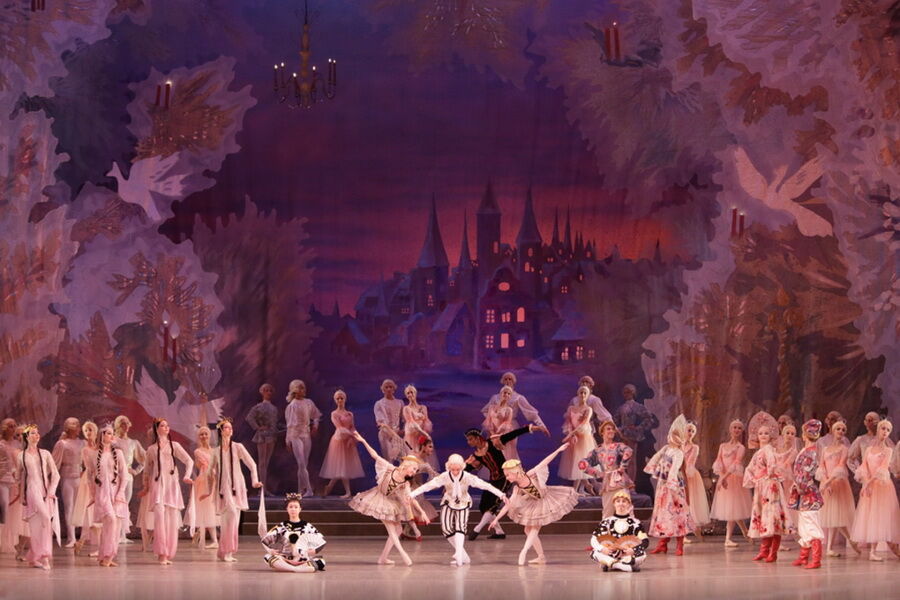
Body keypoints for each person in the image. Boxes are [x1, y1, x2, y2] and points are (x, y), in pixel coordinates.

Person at [488, 443, 579, 565]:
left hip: (546, 499)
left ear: (515, 472)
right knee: (527, 530)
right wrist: (496, 519)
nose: (507, 478)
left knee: (534, 527)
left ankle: (524, 551)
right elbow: (508, 505)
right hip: (534, 504)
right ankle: (541, 557)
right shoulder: (517, 489)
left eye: (508, 475)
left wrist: (558, 450)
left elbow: (545, 461)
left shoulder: (530, 475)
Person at [348, 432, 431, 565]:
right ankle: (403, 555)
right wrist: (363, 440)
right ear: (407, 465)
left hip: (390, 502)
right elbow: (375, 455)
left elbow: (411, 498)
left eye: (416, 470)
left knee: (398, 530)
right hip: (378, 499)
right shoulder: (390, 469)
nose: (414, 472)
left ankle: (383, 558)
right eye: (414, 469)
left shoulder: (405, 483)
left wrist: (422, 512)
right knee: (392, 530)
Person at [409, 453, 507, 566]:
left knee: (460, 528)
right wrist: (412, 494)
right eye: (453, 469)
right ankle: (462, 554)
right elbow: (428, 486)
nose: (455, 472)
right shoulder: (445, 476)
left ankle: (459, 555)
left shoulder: (467, 477)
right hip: (448, 501)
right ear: (449, 467)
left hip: (463, 502)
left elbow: (485, 485)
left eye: (458, 469)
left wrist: (501, 494)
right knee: (446, 529)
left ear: (462, 467)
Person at [463, 423, 547, 540]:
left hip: (505, 477)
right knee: (483, 505)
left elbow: (512, 434)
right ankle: (499, 532)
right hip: (493, 480)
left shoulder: (493, 443)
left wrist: (530, 428)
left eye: (471, 439)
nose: (469, 442)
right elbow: (465, 469)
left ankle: (477, 529)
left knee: (493, 505)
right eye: (468, 440)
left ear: (478, 438)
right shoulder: (476, 455)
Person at [141, 418, 194, 565]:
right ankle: (161, 553)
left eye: (167, 425)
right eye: (163, 425)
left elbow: (189, 461)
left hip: (171, 485)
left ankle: (168, 553)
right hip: (157, 485)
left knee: (171, 520)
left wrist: (187, 476)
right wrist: (145, 487)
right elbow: (146, 471)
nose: (166, 427)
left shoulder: (174, 445)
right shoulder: (151, 449)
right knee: (159, 518)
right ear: (157, 429)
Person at [210, 417, 261, 562]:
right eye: (227, 427)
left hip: (237, 485)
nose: (230, 430)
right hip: (223, 487)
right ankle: (226, 551)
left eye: (231, 428)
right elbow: (210, 471)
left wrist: (254, 480)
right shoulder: (216, 451)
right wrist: (209, 487)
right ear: (221, 431)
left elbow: (252, 464)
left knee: (234, 518)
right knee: (229, 516)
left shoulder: (238, 447)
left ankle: (226, 551)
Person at [644, 415, 695, 556]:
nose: (671, 438)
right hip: (663, 486)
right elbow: (655, 458)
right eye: (672, 435)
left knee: (677, 514)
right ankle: (662, 544)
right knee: (664, 514)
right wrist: (654, 468)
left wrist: (672, 484)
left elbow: (675, 469)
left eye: (675, 436)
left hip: (674, 487)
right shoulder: (666, 449)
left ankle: (679, 545)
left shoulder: (678, 453)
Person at [850, 419, 900, 561]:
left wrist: (868, 484)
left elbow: (882, 469)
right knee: (871, 517)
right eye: (883, 428)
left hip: (882, 487)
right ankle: (872, 552)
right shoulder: (869, 449)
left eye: (888, 430)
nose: (885, 432)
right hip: (870, 486)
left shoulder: (888, 450)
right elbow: (864, 467)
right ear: (878, 429)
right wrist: (865, 483)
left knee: (881, 517)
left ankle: (886, 550)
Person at [743, 422, 791, 563]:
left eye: (766, 433)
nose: (763, 435)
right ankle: (764, 551)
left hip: (770, 486)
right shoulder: (758, 452)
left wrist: (766, 475)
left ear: (770, 436)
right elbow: (749, 468)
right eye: (760, 433)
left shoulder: (769, 450)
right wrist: (755, 479)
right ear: (757, 436)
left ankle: (773, 553)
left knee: (773, 518)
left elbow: (772, 466)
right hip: (762, 486)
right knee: (766, 518)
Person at [15, 424, 60, 570]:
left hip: (45, 491)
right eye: (33, 433)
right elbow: (19, 477)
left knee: (37, 526)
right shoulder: (21, 456)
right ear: (27, 437)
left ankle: (34, 558)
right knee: (46, 519)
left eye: (37, 432)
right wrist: (21, 493)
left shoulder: (45, 453)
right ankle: (45, 557)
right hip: (31, 491)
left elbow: (56, 475)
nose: (37, 435)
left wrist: (51, 491)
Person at [87, 423, 128, 567]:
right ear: (102, 435)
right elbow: (90, 476)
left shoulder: (119, 454)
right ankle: (107, 556)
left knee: (113, 526)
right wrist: (93, 495)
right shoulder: (93, 454)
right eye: (108, 433)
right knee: (110, 519)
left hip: (116, 492)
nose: (111, 436)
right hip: (102, 493)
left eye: (112, 433)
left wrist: (120, 493)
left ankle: (106, 556)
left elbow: (124, 475)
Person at [817, 419, 858, 557]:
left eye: (843, 430)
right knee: (832, 516)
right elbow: (821, 466)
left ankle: (839, 544)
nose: (841, 431)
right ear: (833, 431)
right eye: (838, 429)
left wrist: (829, 482)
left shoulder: (844, 449)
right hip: (827, 484)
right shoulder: (825, 449)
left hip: (838, 483)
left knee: (836, 515)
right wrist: (824, 482)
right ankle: (841, 544)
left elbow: (840, 466)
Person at [481, 372, 546, 458]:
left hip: (510, 427)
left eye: (510, 379)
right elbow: (486, 411)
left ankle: (509, 466)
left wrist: (541, 425)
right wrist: (493, 420)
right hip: (494, 428)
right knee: (493, 449)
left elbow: (531, 412)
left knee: (508, 450)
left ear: (514, 381)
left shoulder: (518, 397)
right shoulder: (495, 397)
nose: (508, 381)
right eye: (505, 379)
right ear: (502, 381)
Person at [789, 419, 825, 569]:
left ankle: (816, 559)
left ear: (805, 434)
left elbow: (807, 472)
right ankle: (803, 557)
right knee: (804, 524)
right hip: (803, 492)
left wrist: (800, 485)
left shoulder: (811, 452)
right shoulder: (807, 450)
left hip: (808, 492)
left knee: (811, 524)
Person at [710, 419, 752, 547]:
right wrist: (721, 477)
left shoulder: (741, 447)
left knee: (733, 509)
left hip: (734, 480)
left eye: (739, 428)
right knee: (732, 509)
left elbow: (736, 463)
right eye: (735, 427)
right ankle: (745, 532)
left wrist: (724, 478)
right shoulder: (722, 446)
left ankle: (728, 539)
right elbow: (718, 461)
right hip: (724, 479)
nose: (737, 430)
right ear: (730, 429)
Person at [579, 420, 634, 516]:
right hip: (607, 483)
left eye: (613, 429)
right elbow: (582, 464)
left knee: (626, 510)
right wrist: (598, 473)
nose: (611, 431)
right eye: (608, 429)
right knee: (607, 512)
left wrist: (622, 467)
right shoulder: (598, 451)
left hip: (619, 480)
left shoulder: (617, 446)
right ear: (602, 432)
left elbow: (628, 451)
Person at [261, 493, 326, 572]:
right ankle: (296, 569)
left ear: (300, 509)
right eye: (291, 507)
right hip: (286, 559)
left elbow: (321, 540)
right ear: (287, 509)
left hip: (303, 559)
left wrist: (314, 550)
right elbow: (265, 540)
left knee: (321, 562)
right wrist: (270, 551)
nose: (293, 509)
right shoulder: (282, 526)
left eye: (296, 507)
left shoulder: (307, 526)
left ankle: (290, 568)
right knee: (267, 556)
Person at [589, 489, 649, 572]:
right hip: (610, 553)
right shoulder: (606, 522)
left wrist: (633, 550)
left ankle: (610, 563)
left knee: (642, 554)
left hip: (627, 554)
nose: (621, 504)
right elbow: (594, 539)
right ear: (614, 504)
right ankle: (623, 566)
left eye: (624, 501)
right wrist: (602, 549)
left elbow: (645, 541)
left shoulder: (636, 523)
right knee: (595, 552)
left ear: (629, 504)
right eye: (618, 501)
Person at [321, 390, 365, 498]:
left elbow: (352, 427)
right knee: (341, 466)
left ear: (345, 399)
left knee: (343, 467)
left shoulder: (350, 414)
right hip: (339, 441)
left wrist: (354, 437)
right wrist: (350, 436)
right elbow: (339, 427)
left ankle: (330, 487)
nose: (340, 400)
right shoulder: (334, 414)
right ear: (335, 400)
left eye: (341, 398)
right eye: (338, 398)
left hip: (348, 441)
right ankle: (346, 491)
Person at [614, 384, 658, 484]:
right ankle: (623, 482)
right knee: (622, 460)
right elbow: (614, 421)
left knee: (631, 460)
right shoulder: (621, 407)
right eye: (625, 392)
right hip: (621, 435)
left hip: (632, 435)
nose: (627, 394)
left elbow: (649, 418)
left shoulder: (637, 406)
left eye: (629, 392)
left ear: (633, 393)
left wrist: (639, 428)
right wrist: (617, 430)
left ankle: (631, 483)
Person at [285, 380, 321, 498]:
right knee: (301, 463)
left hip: (306, 434)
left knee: (304, 464)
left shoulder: (308, 402)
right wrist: (288, 440)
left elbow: (316, 415)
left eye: (303, 388)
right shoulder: (292, 406)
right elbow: (289, 425)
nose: (303, 390)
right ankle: (309, 489)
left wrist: (315, 426)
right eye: (300, 388)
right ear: (295, 390)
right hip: (295, 435)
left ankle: (300, 490)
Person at [51, 417, 84, 547]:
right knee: (69, 507)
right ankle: (71, 538)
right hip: (67, 477)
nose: (77, 427)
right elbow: (54, 463)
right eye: (74, 424)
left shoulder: (83, 443)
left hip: (80, 477)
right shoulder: (62, 444)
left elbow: (88, 460)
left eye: (78, 424)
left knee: (79, 507)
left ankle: (82, 536)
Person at [113, 415, 144, 544]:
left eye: (127, 423)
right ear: (117, 426)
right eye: (122, 424)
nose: (125, 426)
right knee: (115, 505)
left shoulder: (133, 442)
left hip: (128, 477)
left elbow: (145, 458)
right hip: (114, 477)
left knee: (125, 504)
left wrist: (136, 470)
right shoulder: (113, 441)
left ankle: (122, 535)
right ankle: (113, 534)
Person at [558, 385, 594, 495]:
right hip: (573, 438)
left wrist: (572, 434)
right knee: (574, 463)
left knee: (580, 463)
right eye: (581, 392)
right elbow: (568, 422)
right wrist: (570, 434)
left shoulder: (588, 409)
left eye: (585, 393)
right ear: (578, 394)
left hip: (583, 438)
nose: (583, 395)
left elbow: (584, 423)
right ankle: (587, 485)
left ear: (587, 395)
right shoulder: (571, 408)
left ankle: (575, 490)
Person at [72, 421, 100, 556]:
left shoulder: (101, 447)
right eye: (86, 430)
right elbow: (87, 467)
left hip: (100, 480)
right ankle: (82, 541)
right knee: (89, 512)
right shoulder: (85, 449)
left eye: (90, 430)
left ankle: (85, 543)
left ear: (95, 431)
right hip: (89, 480)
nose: (88, 432)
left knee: (98, 513)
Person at [245, 383, 279, 490]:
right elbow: (249, 417)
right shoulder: (258, 407)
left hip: (271, 436)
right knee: (262, 462)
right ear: (262, 392)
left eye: (270, 390)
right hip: (262, 435)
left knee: (266, 463)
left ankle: (264, 488)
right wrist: (258, 427)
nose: (268, 392)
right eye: (266, 390)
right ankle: (262, 489)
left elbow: (274, 422)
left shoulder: (274, 408)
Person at [190, 425, 219, 549]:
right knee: (205, 508)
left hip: (214, 480)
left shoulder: (215, 451)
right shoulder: (198, 451)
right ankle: (208, 537)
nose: (204, 436)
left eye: (206, 434)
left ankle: (208, 537)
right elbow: (206, 465)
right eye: (201, 434)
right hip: (204, 481)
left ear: (209, 435)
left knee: (211, 509)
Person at [683, 422, 710, 542]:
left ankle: (696, 532)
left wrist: (684, 473)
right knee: (681, 503)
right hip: (680, 475)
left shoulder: (695, 447)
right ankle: (683, 534)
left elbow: (690, 462)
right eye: (689, 430)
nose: (690, 433)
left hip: (690, 475)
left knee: (691, 501)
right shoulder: (679, 446)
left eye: (693, 431)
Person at [481, 386, 517, 459]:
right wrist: (493, 435)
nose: (506, 395)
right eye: (505, 392)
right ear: (501, 393)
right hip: (492, 434)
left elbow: (507, 425)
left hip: (502, 435)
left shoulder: (509, 410)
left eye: (509, 394)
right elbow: (488, 422)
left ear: (510, 397)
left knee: (503, 455)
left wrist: (498, 436)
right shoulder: (491, 407)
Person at [373, 379, 404, 461]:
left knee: (403, 458)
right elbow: (380, 422)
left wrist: (404, 430)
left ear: (394, 388)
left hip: (398, 434)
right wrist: (392, 433)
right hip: (385, 434)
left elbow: (404, 418)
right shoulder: (379, 404)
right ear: (383, 389)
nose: (389, 389)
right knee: (389, 459)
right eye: (386, 387)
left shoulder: (400, 402)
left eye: (390, 387)